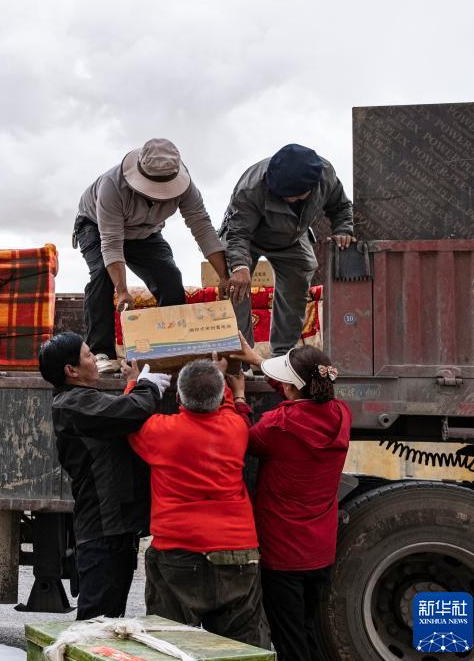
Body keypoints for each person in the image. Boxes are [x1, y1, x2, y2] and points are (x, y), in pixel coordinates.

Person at [228, 336, 351, 661]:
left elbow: (241, 440)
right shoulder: (340, 414)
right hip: (319, 551)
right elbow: (302, 395)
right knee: (308, 633)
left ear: (293, 390)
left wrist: (239, 398)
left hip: (283, 555)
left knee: (290, 646)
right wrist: (256, 360)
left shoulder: (279, 426)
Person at [127, 356, 263, 646]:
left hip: (178, 550)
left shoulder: (160, 432)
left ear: (178, 397)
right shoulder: (235, 429)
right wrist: (231, 388)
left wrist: (132, 384)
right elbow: (230, 410)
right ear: (218, 397)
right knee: (240, 652)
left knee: (171, 650)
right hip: (236, 551)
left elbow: (130, 417)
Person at [38, 332, 170, 620]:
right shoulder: (72, 404)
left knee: (108, 618)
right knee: (97, 623)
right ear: (71, 370)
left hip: (113, 528)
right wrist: (146, 389)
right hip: (102, 529)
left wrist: (136, 385)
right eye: (88, 356)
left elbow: (118, 412)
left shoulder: (82, 399)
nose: (95, 361)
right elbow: (129, 411)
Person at [75, 138, 230, 374]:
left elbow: (202, 227)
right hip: (96, 227)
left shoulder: (186, 185)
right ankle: (100, 351)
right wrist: (122, 290)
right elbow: (111, 242)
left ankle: (171, 347)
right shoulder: (112, 186)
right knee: (101, 276)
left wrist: (224, 276)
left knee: (170, 277)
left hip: (145, 232)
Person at [220, 144, 355, 360]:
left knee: (299, 277)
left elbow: (341, 207)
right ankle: (240, 357)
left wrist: (343, 230)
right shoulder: (250, 188)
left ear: (309, 188)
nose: (282, 197)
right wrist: (239, 267)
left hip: (291, 236)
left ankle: (282, 356)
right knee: (236, 285)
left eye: (289, 195)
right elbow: (237, 233)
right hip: (246, 237)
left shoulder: (326, 176)